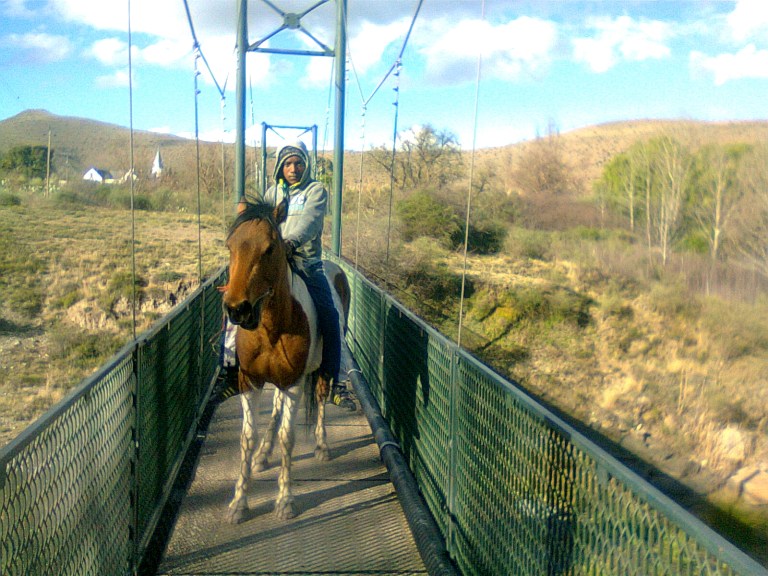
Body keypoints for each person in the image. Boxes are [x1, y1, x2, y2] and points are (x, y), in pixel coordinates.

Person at [251, 140, 355, 411]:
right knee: (238, 302)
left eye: (298, 163)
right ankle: (230, 370)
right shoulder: (272, 193)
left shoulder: (316, 190)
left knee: (331, 316)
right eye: (287, 163)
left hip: (306, 263)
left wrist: (291, 243)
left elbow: (311, 221)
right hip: (275, 266)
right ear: (280, 166)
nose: (293, 168)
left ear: (306, 165)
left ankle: (335, 380)